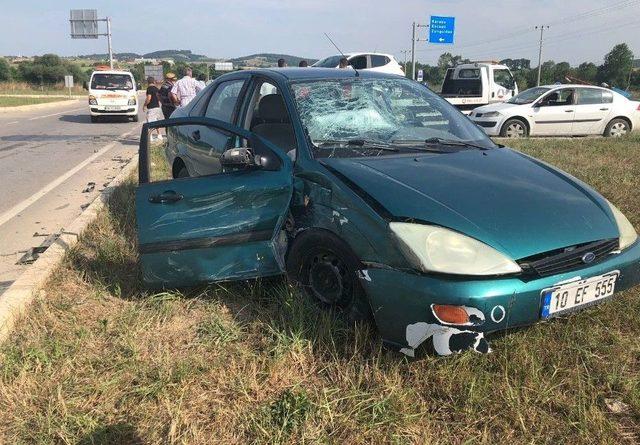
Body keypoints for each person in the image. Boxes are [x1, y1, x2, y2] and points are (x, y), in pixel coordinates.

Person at [143, 76, 163, 141]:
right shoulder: (156, 89)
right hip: (157, 107)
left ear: (147, 82)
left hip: (151, 108)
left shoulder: (149, 89)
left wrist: (144, 105)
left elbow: (149, 98)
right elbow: (159, 98)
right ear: (154, 81)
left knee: (150, 123)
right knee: (157, 121)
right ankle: (159, 135)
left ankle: (150, 137)